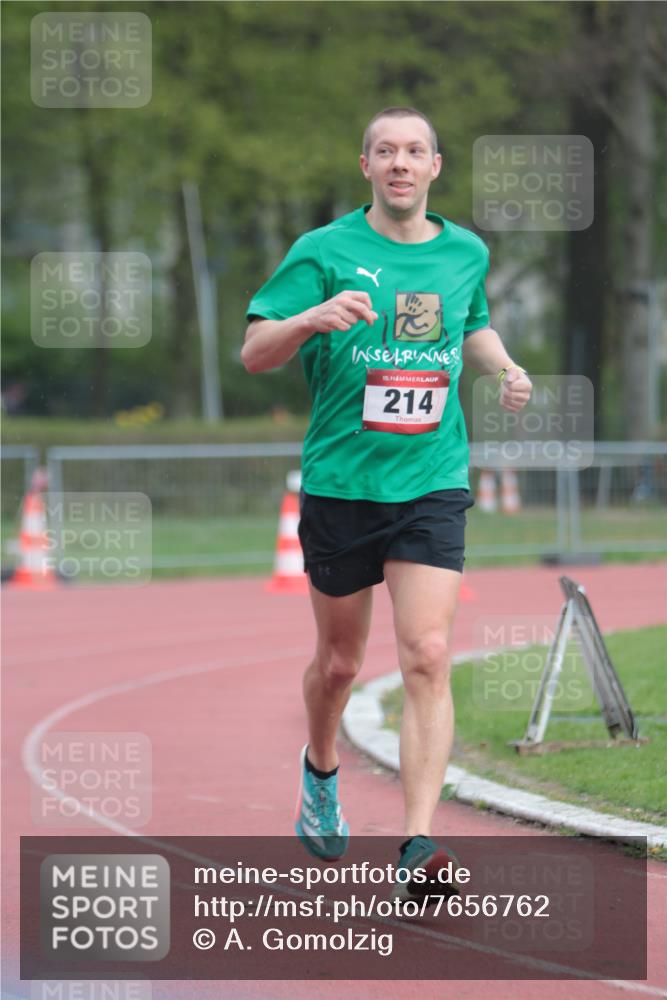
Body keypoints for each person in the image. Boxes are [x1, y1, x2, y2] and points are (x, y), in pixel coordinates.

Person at [242, 107, 532, 902]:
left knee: (427, 655)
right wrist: (309, 318)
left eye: (413, 151)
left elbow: (469, 325)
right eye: (384, 152)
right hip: (342, 485)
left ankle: (417, 842)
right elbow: (254, 352)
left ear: (435, 166)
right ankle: (321, 767)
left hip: (431, 480)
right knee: (338, 665)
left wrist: (504, 367)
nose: (399, 163)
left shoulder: (465, 250)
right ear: (364, 165)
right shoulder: (324, 251)